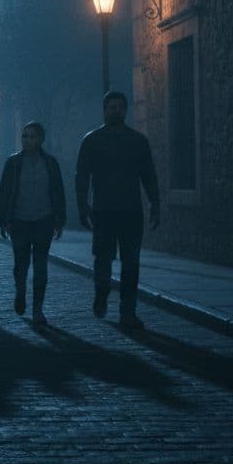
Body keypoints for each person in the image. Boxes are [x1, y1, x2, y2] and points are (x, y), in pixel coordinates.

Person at [75, 91, 160, 331]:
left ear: (126, 110)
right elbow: (82, 176)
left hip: (131, 212)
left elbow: (149, 176)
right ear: (105, 110)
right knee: (103, 261)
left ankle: (127, 312)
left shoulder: (137, 141)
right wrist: (83, 206)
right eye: (112, 107)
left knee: (131, 264)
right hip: (103, 212)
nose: (116, 111)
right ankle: (101, 294)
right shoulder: (92, 141)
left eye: (120, 107)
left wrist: (155, 203)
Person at [0, 122, 67, 327]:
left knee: (41, 266)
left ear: (41, 139)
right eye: (25, 136)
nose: (28, 140)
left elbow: (58, 191)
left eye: (32, 136)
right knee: (21, 263)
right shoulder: (14, 163)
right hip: (20, 221)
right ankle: (20, 290)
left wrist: (59, 220)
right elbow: (5, 191)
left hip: (43, 220)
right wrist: (3, 220)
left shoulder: (50, 163)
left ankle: (38, 309)